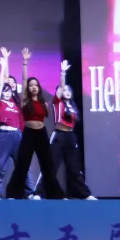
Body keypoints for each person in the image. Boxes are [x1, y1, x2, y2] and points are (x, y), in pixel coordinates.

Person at [5, 48, 64, 200]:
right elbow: (24, 79)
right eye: (31, 85)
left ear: (39, 87)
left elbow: (60, 92)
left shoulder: (44, 102)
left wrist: (63, 73)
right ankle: (14, 193)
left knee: (48, 165)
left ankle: (55, 194)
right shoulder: (25, 99)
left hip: (41, 134)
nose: (33, 87)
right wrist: (25, 62)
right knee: (22, 165)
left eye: (35, 85)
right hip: (29, 134)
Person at [42, 59, 97, 200]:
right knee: (52, 166)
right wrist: (63, 73)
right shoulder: (57, 102)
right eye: (63, 90)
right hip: (59, 135)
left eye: (68, 90)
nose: (66, 92)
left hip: (70, 137)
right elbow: (61, 87)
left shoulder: (72, 106)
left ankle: (85, 194)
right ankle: (40, 193)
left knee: (74, 168)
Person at [0, 47, 33, 198]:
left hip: (18, 136)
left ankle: (30, 192)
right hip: (5, 135)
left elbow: (9, 84)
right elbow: (2, 83)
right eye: (4, 91)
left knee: (23, 165)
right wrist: (4, 62)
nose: (7, 92)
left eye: (9, 90)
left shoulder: (15, 102)